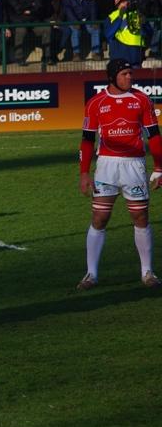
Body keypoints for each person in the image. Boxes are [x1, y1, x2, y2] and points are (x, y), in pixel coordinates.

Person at [78, 59, 162, 290]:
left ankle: (147, 272)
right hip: (106, 165)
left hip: (134, 165)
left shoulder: (141, 100)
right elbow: (87, 140)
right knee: (99, 218)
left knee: (141, 217)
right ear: (112, 76)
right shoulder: (96, 103)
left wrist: (159, 168)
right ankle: (91, 274)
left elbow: (154, 136)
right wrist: (84, 173)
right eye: (125, 74)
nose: (129, 77)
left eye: (130, 73)